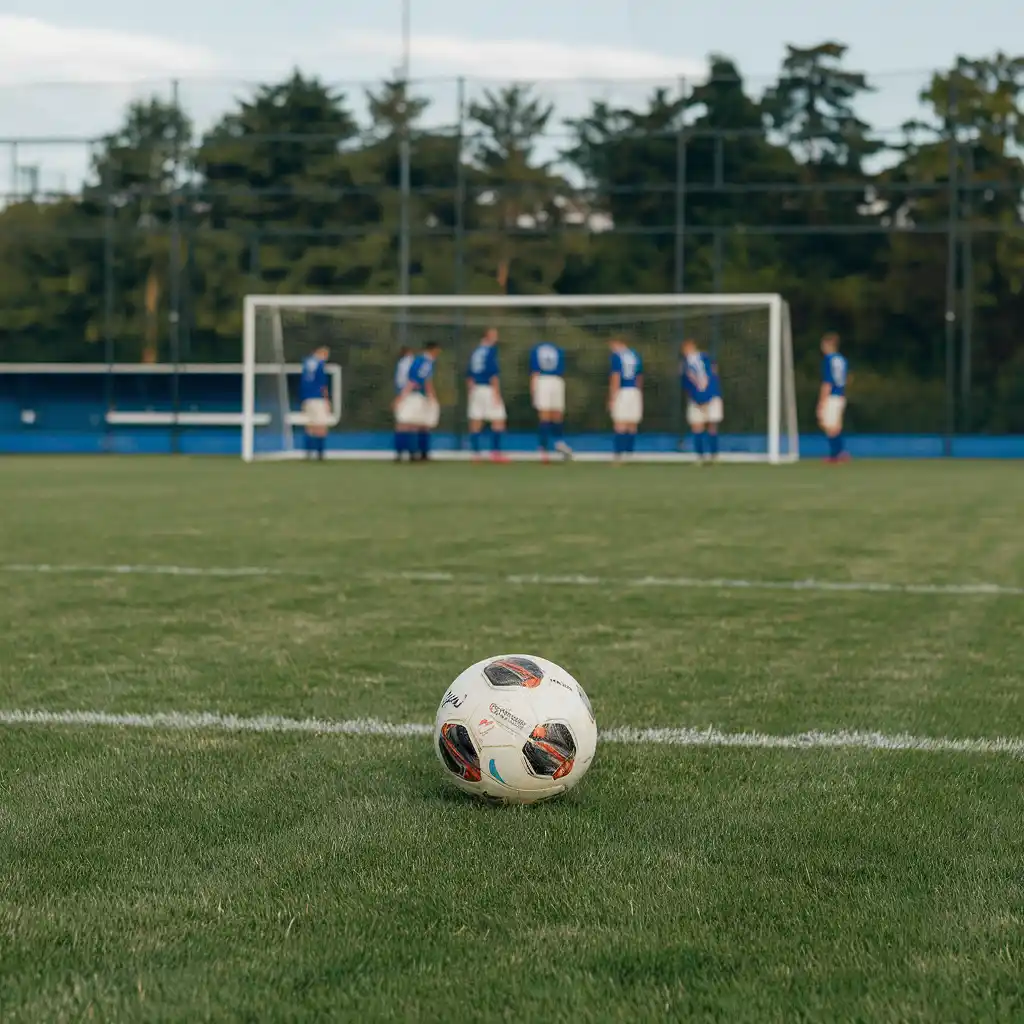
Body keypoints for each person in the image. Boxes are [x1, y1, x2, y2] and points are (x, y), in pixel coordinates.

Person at [466, 327, 508, 463]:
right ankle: (495, 453)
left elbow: (469, 375)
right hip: (488, 388)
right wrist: (496, 393)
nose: (496, 338)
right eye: (494, 335)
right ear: (487, 336)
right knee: (498, 419)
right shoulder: (490, 351)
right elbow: (493, 373)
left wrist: (471, 391)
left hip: (476, 389)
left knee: (476, 420)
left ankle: (476, 453)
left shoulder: (475, 352)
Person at [394, 342, 441, 462]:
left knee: (413, 424)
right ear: (434, 350)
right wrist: (431, 396)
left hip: (411, 393)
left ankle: (408, 453)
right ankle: (414, 453)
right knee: (413, 424)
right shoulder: (425, 362)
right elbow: (419, 380)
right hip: (416, 395)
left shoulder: (416, 360)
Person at [680, 339, 723, 464]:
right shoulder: (699, 360)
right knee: (700, 426)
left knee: (708, 425)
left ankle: (710, 455)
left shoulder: (698, 361)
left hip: (707, 397)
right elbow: (688, 383)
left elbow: (709, 377)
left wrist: (703, 397)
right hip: (702, 397)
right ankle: (704, 456)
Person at [529, 340, 572, 463]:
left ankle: (559, 443)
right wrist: (534, 389)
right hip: (546, 380)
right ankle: (543, 448)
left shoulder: (556, 349)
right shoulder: (543, 349)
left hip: (553, 380)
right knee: (546, 414)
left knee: (556, 414)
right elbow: (535, 371)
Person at [608, 338, 643, 462]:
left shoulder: (617, 356)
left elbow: (616, 377)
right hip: (635, 391)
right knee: (632, 423)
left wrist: (612, 397)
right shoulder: (635, 355)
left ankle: (619, 453)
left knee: (620, 422)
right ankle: (630, 453)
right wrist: (639, 393)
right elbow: (639, 377)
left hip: (623, 391)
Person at [818, 332, 849, 463]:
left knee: (829, 425)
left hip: (832, 396)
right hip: (841, 395)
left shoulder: (828, 359)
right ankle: (840, 453)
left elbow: (827, 382)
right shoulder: (842, 359)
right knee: (835, 425)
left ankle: (835, 455)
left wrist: (822, 400)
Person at [299, 345, 331, 460]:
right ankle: (320, 454)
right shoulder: (320, 364)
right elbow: (322, 384)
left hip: (307, 398)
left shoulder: (306, 363)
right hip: (318, 398)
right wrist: (327, 400)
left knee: (309, 425)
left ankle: (308, 453)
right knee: (321, 425)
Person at [392, 346, 415, 462]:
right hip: (409, 394)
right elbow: (410, 381)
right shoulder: (409, 363)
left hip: (403, 393)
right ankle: (410, 452)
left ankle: (400, 453)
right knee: (409, 424)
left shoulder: (401, 363)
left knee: (402, 423)